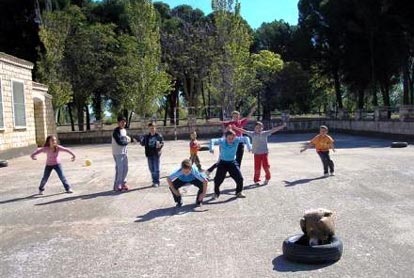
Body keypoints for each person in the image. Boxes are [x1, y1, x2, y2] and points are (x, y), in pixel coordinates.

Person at [209, 130, 252, 199]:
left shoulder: (237, 140)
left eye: (232, 138)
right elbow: (212, 140)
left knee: (240, 179)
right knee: (217, 180)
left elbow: (246, 138)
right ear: (225, 137)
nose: (231, 140)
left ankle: (239, 192)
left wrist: (249, 146)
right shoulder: (222, 141)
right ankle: (216, 193)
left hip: (232, 162)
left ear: (235, 137)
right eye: (229, 138)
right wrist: (211, 147)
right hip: (222, 163)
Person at [140, 122, 164, 187]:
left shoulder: (158, 136)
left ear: (155, 128)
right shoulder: (146, 137)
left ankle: (156, 182)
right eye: (150, 128)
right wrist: (141, 140)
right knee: (151, 169)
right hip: (149, 154)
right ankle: (154, 181)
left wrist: (160, 145)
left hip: (156, 154)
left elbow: (162, 143)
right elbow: (142, 144)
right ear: (149, 129)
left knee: (156, 168)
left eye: (153, 128)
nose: (152, 129)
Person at [112, 115, 131, 191]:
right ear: (118, 122)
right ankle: (117, 185)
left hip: (124, 152)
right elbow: (120, 142)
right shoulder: (116, 131)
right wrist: (128, 141)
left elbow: (125, 140)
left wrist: (129, 140)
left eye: (125, 122)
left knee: (125, 168)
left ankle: (123, 183)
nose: (124, 123)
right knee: (120, 169)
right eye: (122, 122)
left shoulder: (124, 130)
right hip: (117, 153)